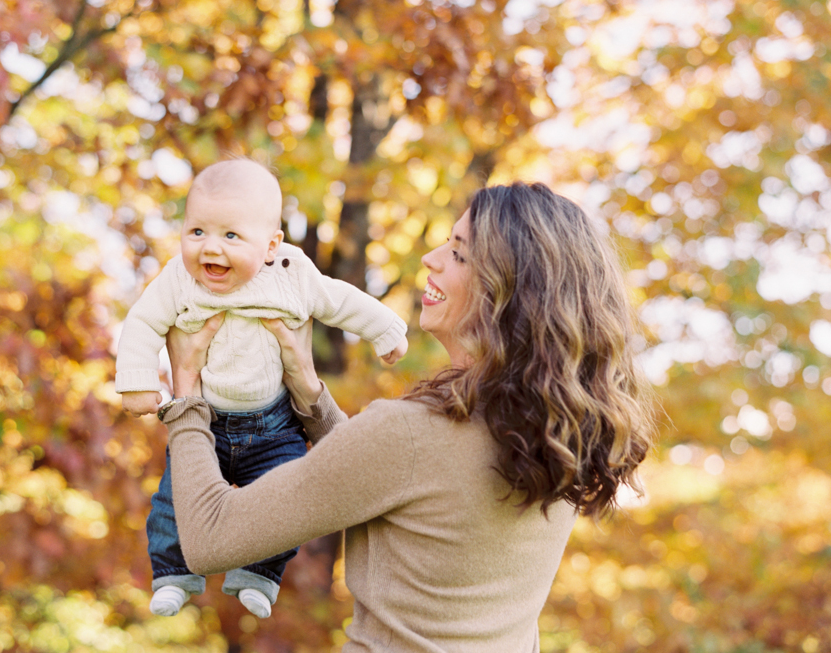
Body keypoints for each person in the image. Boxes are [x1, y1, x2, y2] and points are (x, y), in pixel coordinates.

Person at [159, 181, 655, 651]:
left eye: (459, 254)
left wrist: (186, 394)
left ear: (510, 293)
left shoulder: (411, 436)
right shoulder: (558, 438)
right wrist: (309, 392)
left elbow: (209, 538)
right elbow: (396, 479)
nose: (431, 259)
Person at [115, 158, 408, 618]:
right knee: (173, 500)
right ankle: (173, 573)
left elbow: (339, 299)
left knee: (283, 498)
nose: (211, 249)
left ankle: (259, 574)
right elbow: (142, 323)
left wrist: (385, 330)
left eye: (231, 236)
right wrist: (136, 381)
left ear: (271, 245)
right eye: (197, 232)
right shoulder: (177, 279)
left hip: (274, 424)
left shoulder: (291, 273)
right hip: (205, 419)